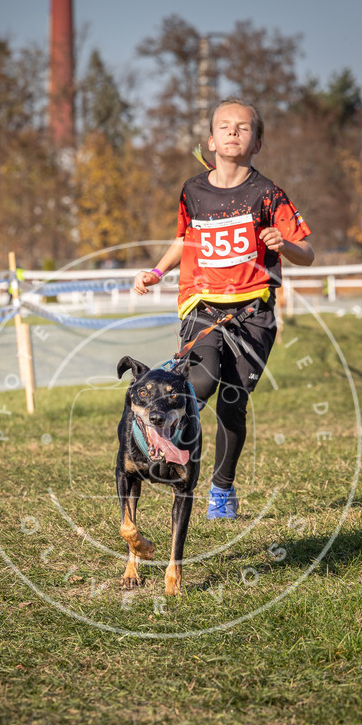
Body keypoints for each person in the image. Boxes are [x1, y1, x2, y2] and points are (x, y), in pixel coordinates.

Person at [133, 97, 314, 520]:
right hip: (203, 306)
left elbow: (308, 251)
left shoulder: (268, 194)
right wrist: (157, 273)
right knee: (202, 381)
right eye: (226, 126)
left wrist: (284, 245)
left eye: (244, 127)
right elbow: (184, 241)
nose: (234, 131)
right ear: (211, 140)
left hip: (253, 314)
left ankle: (221, 488)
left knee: (233, 403)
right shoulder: (192, 191)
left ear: (258, 143)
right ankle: (160, 440)